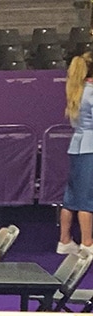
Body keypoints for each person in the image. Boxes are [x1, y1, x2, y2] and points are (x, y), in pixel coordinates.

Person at [59, 46, 93, 254]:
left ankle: (65, 240)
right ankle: (87, 243)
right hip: (90, 148)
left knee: (71, 196)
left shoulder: (76, 90)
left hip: (78, 146)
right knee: (87, 198)